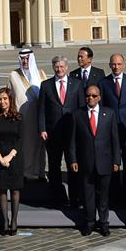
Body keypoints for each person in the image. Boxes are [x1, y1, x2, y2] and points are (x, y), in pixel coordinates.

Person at [68, 85, 121, 237]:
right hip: (86, 162)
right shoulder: (77, 114)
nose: (90, 98)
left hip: (105, 162)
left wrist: (116, 160)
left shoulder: (109, 114)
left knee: (103, 196)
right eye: (88, 95)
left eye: (94, 96)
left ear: (99, 97)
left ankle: (104, 223)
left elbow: (114, 139)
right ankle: (90, 222)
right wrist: (73, 159)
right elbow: (72, 141)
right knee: (88, 195)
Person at [37, 55, 84, 207]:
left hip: (72, 132)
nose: (59, 69)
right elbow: (42, 109)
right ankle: (57, 198)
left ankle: (75, 198)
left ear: (67, 67)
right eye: (57, 66)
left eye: (62, 66)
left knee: (73, 165)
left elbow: (82, 108)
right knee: (54, 166)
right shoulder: (46, 85)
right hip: (53, 132)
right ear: (53, 67)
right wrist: (42, 128)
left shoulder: (77, 84)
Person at [100, 53, 126, 207]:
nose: (116, 67)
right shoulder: (104, 83)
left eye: (119, 64)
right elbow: (102, 109)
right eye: (113, 64)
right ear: (110, 65)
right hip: (111, 133)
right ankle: (114, 196)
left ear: (124, 65)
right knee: (113, 166)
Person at [0, 88, 25, 236]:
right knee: (2, 189)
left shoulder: (18, 117)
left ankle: (14, 220)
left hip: (14, 157)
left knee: (15, 189)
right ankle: (5, 221)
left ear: (10, 100)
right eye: (0, 99)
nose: (2, 102)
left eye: (5, 99)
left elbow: (20, 139)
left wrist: (9, 156)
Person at [8, 48, 47, 180]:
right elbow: (10, 97)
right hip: (23, 118)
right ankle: (26, 173)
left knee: (40, 146)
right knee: (26, 146)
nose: (25, 61)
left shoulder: (41, 74)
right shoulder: (14, 75)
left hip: (40, 118)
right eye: (22, 59)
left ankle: (40, 172)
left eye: (27, 58)